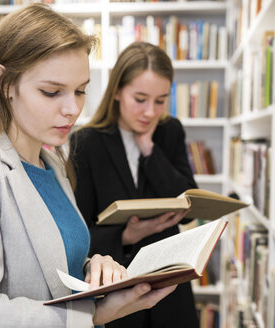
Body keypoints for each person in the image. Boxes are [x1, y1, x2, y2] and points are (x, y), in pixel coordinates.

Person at [0, 5, 176, 328]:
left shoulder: (52, 162)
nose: (72, 109)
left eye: (80, 91)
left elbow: (47, 268)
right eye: (51, 92)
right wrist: (93, 314)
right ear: (5, 83)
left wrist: (95, 268)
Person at [69, 41, 199, 328]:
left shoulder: (170, 131)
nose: (150, 112)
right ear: (117, 91)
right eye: (140, 99)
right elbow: (78, 232)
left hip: (170, 284)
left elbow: (187, 204)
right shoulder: (86, 143)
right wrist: (125, 236)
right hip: (118, 288)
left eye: (160, 100)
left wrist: (149, 149)